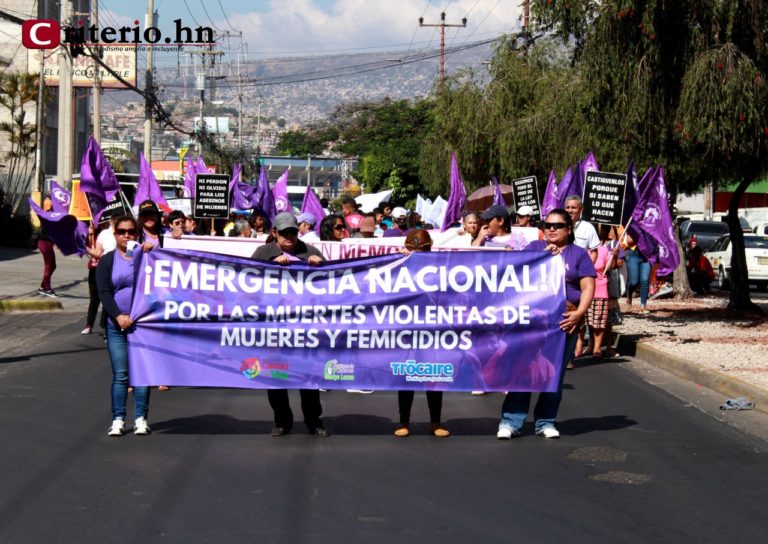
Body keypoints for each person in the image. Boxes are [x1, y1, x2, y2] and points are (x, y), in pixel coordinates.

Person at [497, 208, 596, 440]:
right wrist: (542, 258)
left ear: (568, 229)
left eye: (557, 225)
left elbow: (587, 286)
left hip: (563, 322)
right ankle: (510, 421)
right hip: (532, 322)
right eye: (547, 225)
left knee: (554, 373)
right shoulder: (534, 248)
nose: (551, 229)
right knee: (522, 369)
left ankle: (545, 421)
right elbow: (515, 274)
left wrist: (579, 313)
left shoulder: (578, 254)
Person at [251, 212, 329, 437]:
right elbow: (247, 282)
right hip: (275, 327)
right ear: (274, 232)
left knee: (308, 378)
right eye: (284, 232)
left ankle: (313, 420)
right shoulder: (263, 253)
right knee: (276, 376)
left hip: (304, 327)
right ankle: (282, 421)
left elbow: (330, 284)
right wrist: (269, 265)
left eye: (293, 232)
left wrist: (320, 266)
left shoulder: (310, 251)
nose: (289, 236)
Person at [96, 215, 152, 436]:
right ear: (115, 234)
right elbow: (104, 292)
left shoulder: (146, 257)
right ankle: (118, 419)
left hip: (143, 326)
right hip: (116, 325)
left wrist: (151, 252)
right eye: (122, 232)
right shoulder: (107, 261)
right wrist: (118, 316)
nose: (126, 235)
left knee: (142, 374)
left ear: (137, 234)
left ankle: (141, 419)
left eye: (131, 231)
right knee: (121, 375)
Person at [394, 230, 450, 438]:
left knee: (433, 375)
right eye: (413, 250)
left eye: (422, 250)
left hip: (432, 329)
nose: (417, 254)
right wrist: (398, 260)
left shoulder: (440, 267)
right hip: (406, 329)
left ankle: (436, 422)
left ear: (430, 248)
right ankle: (404, 422)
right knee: (406, 376)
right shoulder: (398, 264)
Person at [564, 195, 600, 261]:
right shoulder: (558, 225)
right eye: (567, 207)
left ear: (581, 209)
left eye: (573, 208)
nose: (570, 210)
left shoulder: (588, 228)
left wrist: (586, 266)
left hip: (579, 266)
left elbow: (594, 253)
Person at [624, 231, 651, 314]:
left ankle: (643, 306)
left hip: (647, 255)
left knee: (645, 280)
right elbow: (629, 241)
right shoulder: (634, 227)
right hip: (633, 254)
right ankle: (629, 295)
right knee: (634, 282)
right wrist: (641, 236)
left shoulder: (652, 226)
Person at [36, 197, 58, 297]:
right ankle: (48, 289)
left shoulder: (52, 215)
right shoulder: (46, 216)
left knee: (53, 266)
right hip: (44, 243)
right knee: (48, 265)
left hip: (47, 243)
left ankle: (42, 287)